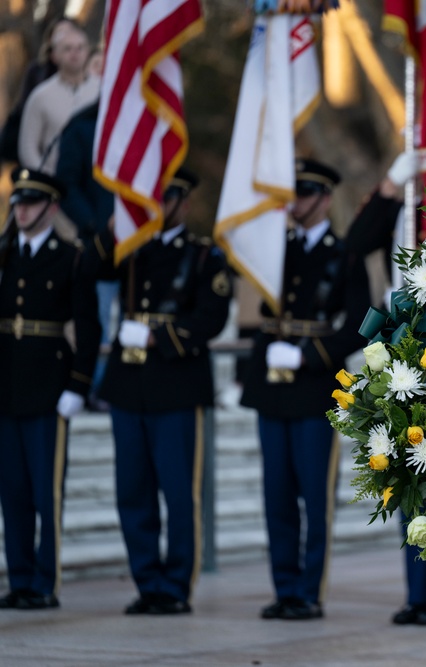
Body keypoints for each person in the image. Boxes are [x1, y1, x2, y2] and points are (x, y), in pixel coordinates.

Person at [87, 167, 231, 615]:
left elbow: (211, 316)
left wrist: (159, 338)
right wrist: (114, 225)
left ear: (183, 203)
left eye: (164, 199)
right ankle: (146, 580)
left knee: (177, 490)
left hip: (177, 386)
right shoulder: (130, 247)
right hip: (129, 386)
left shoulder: (204, 256)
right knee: (132, 490)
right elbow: (90, 268)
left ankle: (175, 586)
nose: (155, 207)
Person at [342, 151, 426, 625]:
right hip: (402, 369)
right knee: (406, 479)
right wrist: (390, 186)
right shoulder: (402, 214)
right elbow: (355, 243)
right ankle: (418, 591)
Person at [241, 158, 372, 621]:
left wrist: (310, 354)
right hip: (272, 386)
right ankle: (284, 588)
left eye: (302, 194)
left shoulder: (343, 255)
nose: (293, 203)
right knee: (276, 494)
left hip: (315, 388)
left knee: (314, 496)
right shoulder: (276, 250)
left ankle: (308, 591)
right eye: (290, 194)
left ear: (323, 199)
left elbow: (360, 324)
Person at [0, 167, 100, 610]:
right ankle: (19, 577)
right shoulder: (3, 254)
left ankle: (45, 582)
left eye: (31, 203)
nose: (21, 210)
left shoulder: (71, 257)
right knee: (14, 492)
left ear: (51, 208)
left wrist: (78, 384)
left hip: (48, 387)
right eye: (17, 202)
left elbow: (89, 327)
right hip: (7, 388)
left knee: (46, 492)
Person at [56, 100, 116, 410]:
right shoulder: (82, 127)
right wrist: (92, 224)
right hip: (99, 244)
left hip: (140, 243)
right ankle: (95, 386)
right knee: (99, 317)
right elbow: (67, 181)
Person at [17, 19, 99, 174]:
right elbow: (27, 148)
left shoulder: (101, 91)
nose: (75, 53)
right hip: (54, 184)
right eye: (67, 49)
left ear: (88, 51)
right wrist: (46, 178)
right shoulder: (40, 96)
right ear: (55, 55)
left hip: (95, 182)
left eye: (80, 48)